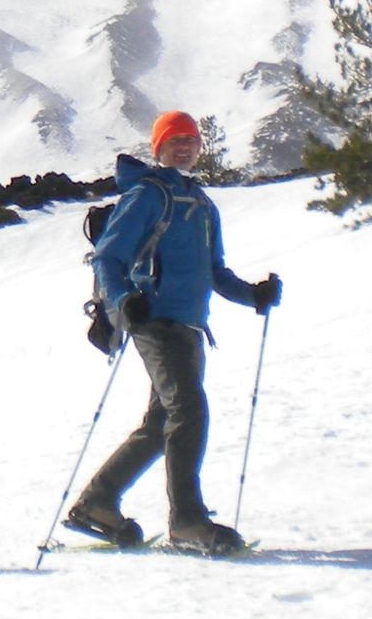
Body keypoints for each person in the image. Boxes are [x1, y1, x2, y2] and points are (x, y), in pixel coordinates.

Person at [67, 111, 282, 556]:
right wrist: (125, 301)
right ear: (158, 147)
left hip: (188, 326)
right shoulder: (148, 195)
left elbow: (215, 273)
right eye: (174, 140)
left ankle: (97, 504)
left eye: (190, 140)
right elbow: (108, 259)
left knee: (162, 421)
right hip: (155, 322)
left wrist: (254, 295)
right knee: (188, 410)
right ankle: (187, 519)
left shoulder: (201, 203)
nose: (184, 146)